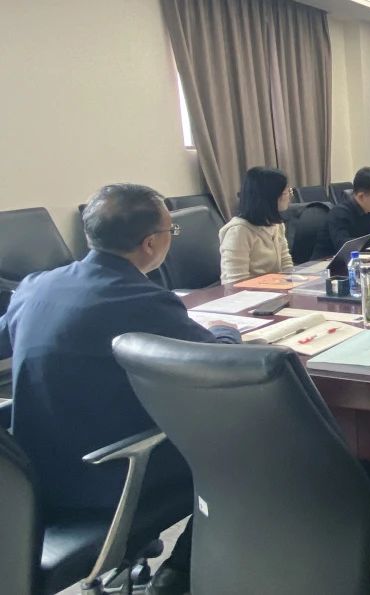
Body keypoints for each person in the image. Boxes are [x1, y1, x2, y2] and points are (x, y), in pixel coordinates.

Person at [0, 184, 242, 594]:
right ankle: (179, 574)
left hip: (28, 478)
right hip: (108, 478)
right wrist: (225, 332)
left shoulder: (35, 286)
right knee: (240, 453)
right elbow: (220, 364)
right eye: (170, 231)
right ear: (151, 243)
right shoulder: (142, 300)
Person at [218, 166, 294, 284]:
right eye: (286, 192)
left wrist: (293, 281)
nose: (290, 196)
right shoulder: (239, 232)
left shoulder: (276, 224)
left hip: (273, 288)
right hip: (247, 293)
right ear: (270, 197)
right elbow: (236, 282)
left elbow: (285, 261)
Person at [311, 167, 370, 259]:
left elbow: (369, 244)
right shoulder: (339, 213)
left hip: (357, 260)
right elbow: (343, 247)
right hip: (325, 263)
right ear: (361, 196)